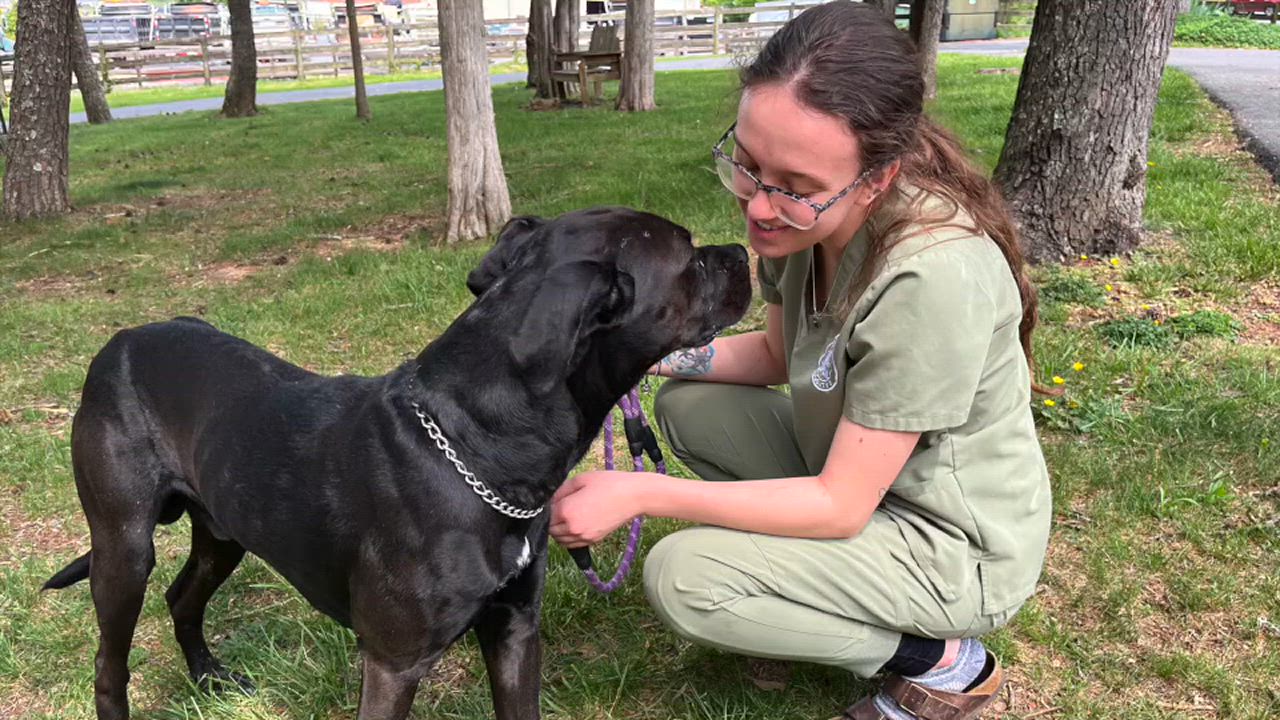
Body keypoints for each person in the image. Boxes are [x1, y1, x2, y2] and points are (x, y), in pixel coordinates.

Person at [549, 2, 1051, 718]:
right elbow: (774, 356)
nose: (758, 205)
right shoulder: (802, 225)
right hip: (863, 485)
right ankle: (796, 588)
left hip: (952, 545)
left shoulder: (930, 276)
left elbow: (841, 505)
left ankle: (945, 662)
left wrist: (638, 492)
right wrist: (636, 355)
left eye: (795, 184)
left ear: (877, 180)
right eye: (750, 166)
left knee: (685, 577)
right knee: (690, 405)